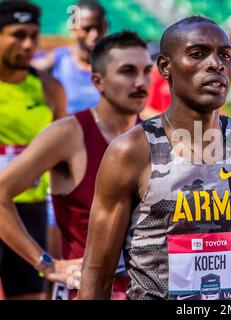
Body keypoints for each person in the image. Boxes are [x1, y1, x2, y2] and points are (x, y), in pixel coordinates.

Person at [78, 16, 231, 300]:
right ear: (166, 67)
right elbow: (97, 272)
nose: (216, 64)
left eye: (225, 55)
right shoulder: (132, 151)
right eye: (198, 54)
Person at [0, 31, 152, 300]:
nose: (141, 82)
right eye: (128, 71)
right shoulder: (68, 134)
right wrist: (46, 263)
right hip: (81, 291)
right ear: (98, 81)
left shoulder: (157, 135)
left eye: (146, 71)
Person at [0, 0, 66, 300]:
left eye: (33, 35)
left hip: (30, 211)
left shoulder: (50, 88)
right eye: (17, 34)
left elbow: (64, 155)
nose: (28, 44)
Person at [32, 0, 107, 114]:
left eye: (99, 28)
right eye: (87, 29)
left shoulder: (113, 64)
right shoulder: (58, 60)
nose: (94, 35)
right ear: (73, 28)